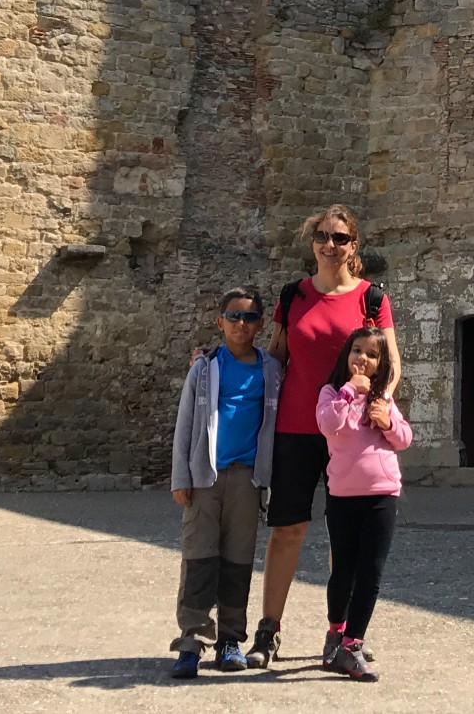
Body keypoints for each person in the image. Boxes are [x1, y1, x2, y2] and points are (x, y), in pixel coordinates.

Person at [244, 204, 400, 670]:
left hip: (351, 436)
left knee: (344, 538)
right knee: (286, 529)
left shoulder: (372, 299)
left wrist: (382, 405)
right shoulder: (293, 295)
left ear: (354, 246)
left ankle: (342, 635)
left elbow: (391, 365)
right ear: (312, 241)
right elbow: (274, 357)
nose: (330, 245)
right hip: (296, 426)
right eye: (323, 236)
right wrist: (217, 365)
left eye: (341, 238)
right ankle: (268, 630)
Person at [168, 289, 282, 679]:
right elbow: (185, 424)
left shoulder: (270, 370)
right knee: (199, 558)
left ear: (260, 324)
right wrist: (181, 477)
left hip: (247, 479)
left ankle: (231, 638)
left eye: (249, 318)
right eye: (233, 317)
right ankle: (191, 639)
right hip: (205, 477)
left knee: (237, 561)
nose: (240, 324)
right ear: (220, 323)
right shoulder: (205, 368)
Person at [315, 327, 410, 681]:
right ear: (346, 355)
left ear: (380, 364)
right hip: (343, 497)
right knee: (343, 570)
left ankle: (352, 644)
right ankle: (335, 632)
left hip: (383, 494)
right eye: (357, 351)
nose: (363, 359)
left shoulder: (384, 398)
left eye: (372, 355)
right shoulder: (331, 393)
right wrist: (349, 391)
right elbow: (328, 424)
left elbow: (404, 439)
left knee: (371, 572)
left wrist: (387, 422)